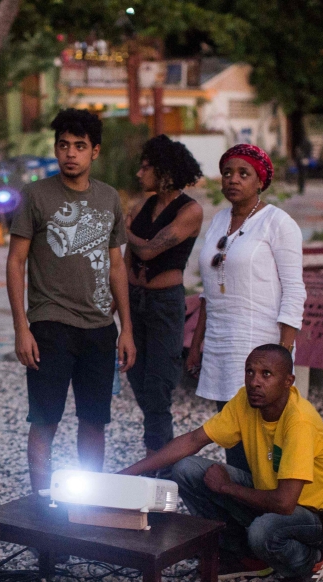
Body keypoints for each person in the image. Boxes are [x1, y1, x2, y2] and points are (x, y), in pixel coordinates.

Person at [120, 344, 323, 582]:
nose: (255, 382)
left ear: (288, 381)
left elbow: (285, 503)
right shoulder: (245, 401)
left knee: (263, 531)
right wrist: (130, 472)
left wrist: (227, 488)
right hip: (270, 495)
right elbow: (194, 440)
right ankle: (248, 556)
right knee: (186, 469)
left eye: (266, 374)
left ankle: (311, 562)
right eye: (249, 372)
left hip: (315, 516)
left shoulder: (299, 422)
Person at [6, 108, 136, 494]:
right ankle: (43, 507)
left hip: (99, 328)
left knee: (94, 421)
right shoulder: (36, 196)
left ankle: (88, 504)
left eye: (80, 146)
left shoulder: (109, 198)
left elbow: (117, 266)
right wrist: (21, 328)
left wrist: (126, 328)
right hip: (50, 326)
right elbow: (15, 262)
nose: (70, 154)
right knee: (45, 420)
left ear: (95, 151)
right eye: (64, 145)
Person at [186, 144, 306, 474]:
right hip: (222, 346)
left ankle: (268, 513)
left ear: (260, 180)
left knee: (263, 440)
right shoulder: (219, 220)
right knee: (232, 432)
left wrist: (283, 352)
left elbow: (295, 290)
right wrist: (197, 346)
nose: (233, 180)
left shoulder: (277, 223)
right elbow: (210, 292)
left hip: (260, 345)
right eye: (227, 173)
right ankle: (239, 509)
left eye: (243, 173)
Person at [124, 135, 204, 463]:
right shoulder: (141, 206)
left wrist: (118, 228)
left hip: (164, 305)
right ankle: (161, 453)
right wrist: (118, 308)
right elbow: (129, 258)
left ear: (165, 171)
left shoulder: (190, 210)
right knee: (136, 377)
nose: (140, 174)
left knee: (158, 386)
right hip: (135, 300)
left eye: (146, 168)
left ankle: (159, 466)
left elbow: (148, 248)